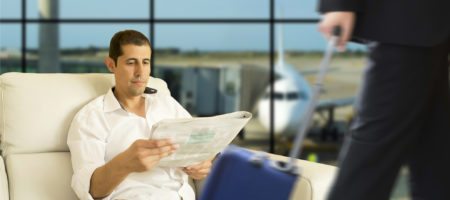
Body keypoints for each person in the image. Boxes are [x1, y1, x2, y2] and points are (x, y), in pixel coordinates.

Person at [317, 0, 450, 199]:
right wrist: (339, 3)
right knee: (372, 156)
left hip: (432, 25)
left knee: (436, 157)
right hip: (409, 21)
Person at [67, 29, 213, 200]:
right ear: (111, 65)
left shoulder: (166, 103)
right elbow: (91, 190)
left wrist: (204, 163)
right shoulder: (91, 118)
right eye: (131, 62)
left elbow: (202, 143)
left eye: (145, 62)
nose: (140, 72)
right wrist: (126, 163)